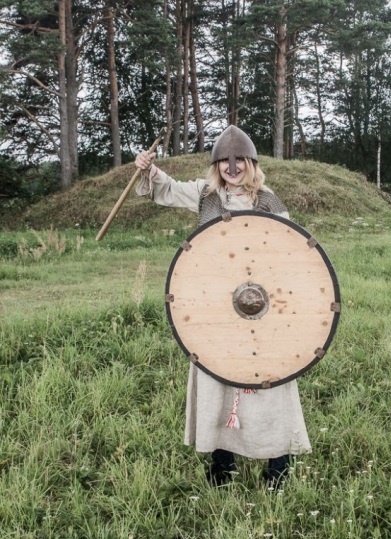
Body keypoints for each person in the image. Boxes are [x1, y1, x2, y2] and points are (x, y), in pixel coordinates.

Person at [134, 125, 311, 488]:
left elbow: (291, 250)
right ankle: (222, 464)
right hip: (215, 307)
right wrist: (148, 169)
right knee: (218, 380)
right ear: (217, 166)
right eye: (225, 162)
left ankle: (278, 467)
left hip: (260, 307)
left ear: (251, 163)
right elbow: (167, 189)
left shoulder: (268, 200)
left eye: (240, 160)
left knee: (268, 383)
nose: (233, 167)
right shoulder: (206, 195)